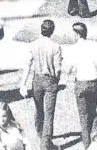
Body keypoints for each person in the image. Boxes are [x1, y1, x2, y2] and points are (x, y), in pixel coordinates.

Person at [19, 19, 63, 150]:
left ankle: (40, 133)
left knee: (39, 109)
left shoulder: (32, 45)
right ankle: (45, 144)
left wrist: (23, 84)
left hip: (36, 79)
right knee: (49, 113)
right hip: (50, 80)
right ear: (52, 31)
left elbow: (27, 65)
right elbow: (58, 69)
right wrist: (57, 79)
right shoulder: (56, 47)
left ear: (41, 29)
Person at [66, 22, 97, 149]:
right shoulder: (95, 45)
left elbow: (68, 70)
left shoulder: (73, 49)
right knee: (93, 113)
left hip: (81, 83)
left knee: (83, 116)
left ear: (77, 34)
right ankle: (96, 142)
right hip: (94, 82)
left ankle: (87, 145)